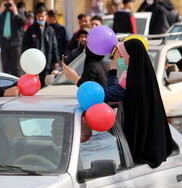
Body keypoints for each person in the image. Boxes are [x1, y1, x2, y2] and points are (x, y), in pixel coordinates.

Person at [62, 38, 173, 168]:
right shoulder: (140, 75)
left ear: (131, 56)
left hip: (140, 149)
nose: (122, 60)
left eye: (123, 56)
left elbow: (106, 95)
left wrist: (75, 78)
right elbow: (114, 90)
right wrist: (113, 66)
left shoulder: (133, 81)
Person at [22, 6, 59, 87]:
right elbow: (25, 45)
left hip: (47, 62)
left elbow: (54, 46)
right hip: (34, 62)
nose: (41, 18)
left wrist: (56, 61)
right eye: (39, 16)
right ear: (36, 16)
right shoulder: (31, 29)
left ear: (46, 17)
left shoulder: (50, 30)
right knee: (33, 83)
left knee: (45, 83)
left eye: (42, 16)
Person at [0, 0, 26, 77]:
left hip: (15, 43)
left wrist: (15, 12)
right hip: (4, 42)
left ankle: (18, 83)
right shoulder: (1, 12)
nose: (7, 4)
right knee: (5, 66)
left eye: (9, 2)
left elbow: (23, 22)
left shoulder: (18, 11)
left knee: (16, 67)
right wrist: (0, 11)